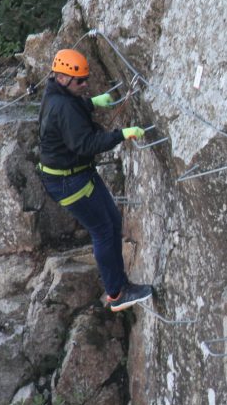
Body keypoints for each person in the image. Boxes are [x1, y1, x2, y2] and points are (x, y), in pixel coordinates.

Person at [37, 49, 152, 312]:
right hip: (69, 182)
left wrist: (92, 103)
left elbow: (70, 112)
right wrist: (121, 134)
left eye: (86, 79)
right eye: (80, 81)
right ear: (64, 78)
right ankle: (117, 293)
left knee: (112, 222)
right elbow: (86, 144)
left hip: (74, 175)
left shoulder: (55, 92)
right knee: (102, 230)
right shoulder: (63, 105)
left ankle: (119, 286)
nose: (85, 85)